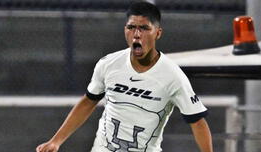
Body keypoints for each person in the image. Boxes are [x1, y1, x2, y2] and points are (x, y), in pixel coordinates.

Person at [36, 1, 213, 152]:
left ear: (157, 33)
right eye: (131, 27)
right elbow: (88, 101)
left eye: (144, 28)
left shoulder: (173, 76)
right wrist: (56, 141)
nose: (136, 34)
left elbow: (197, 122)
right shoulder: (109, 64)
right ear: (125, 30)